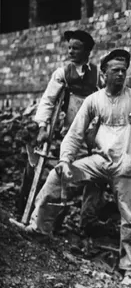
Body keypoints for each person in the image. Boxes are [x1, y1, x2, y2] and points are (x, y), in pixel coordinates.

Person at [26, 49, 131, 286]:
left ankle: (129, 269)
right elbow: (75, 133)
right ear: (104, 73)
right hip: (99, 162)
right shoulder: (94, 100)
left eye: (123, 70)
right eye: (115, 70)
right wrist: (65, 160)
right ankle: (39, 229)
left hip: (128, 165)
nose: (120, 74)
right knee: (57, 176)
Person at [22, 30, 104, 235]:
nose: (71, 51)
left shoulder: (97, 75)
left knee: (96, 177)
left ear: (87, 51)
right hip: (69, 132)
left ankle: (88, 222)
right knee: (60, 173)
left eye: (76, 48)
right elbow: (49, 100)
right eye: (69, 47)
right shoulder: (63, 73)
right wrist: (43, 127)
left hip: (91, 131)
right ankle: (42, 220)